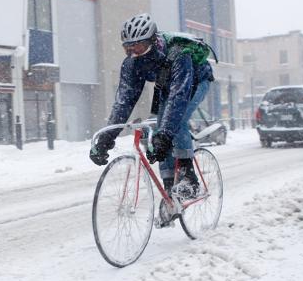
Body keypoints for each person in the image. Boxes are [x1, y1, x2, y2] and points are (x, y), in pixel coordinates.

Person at [89, 13, 215, 200]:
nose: (133, 53)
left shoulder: (179, 54)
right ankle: (170, 191)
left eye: (138, 47)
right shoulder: (132, 65)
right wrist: (106, 139)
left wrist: (165, 135)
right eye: (128, 48)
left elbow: (179, 97)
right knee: (158, 131)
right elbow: (123, 102)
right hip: (167, 84)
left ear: (153, 41)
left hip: (196, 80)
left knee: (174, 123)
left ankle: (189, 178)